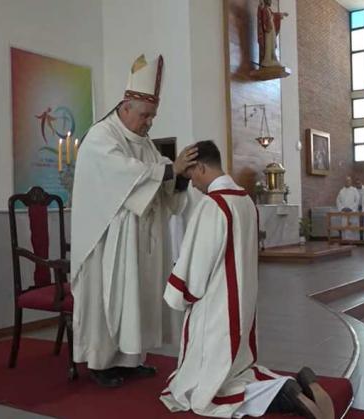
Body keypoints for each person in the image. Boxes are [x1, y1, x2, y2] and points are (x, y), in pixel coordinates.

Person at [160, 141, 333, 419]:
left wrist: (179, 293)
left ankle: (283, 391)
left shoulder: (212, 205)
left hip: (215, 308)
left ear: (201, 168)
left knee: (198, 390)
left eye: (191, 176)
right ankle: (301, 382)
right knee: (234, 368)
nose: (192, 185)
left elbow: (197, 264)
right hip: (241, 306)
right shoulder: (245, 200)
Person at [70, 54, 197, 388]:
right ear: (125, 107)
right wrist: (172, 169)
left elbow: (163, 181)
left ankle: (130, 358)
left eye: (152, 116)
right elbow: (124, 175)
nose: (149, 122)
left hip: (139, 238)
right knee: (108, 297)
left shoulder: (142, 142)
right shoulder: (101, 137)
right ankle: (99, 362)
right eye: (145, 115)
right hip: (107, 240)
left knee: (136, 296)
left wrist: (180, 177)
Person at [257, 0, 287, 68]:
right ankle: (267, 59)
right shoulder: (264, 9)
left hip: (271, 29)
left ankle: (273, 57)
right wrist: (267, 26)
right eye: (270, 0)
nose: (271, 2)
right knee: (269, 44)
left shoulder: (268, 10)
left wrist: (281, 14)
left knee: (273, 43)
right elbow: (263, 19)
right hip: (268, 30)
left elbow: (274, 15)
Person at [335, 176, 361, 241]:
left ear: (351, 182)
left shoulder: (354, 190)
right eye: (346, 181)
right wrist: (342, 208)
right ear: (344, 182)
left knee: (352, 226)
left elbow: (357, 200)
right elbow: (338, 201)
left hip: (352, 213)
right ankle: (345, 240)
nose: (347, 182)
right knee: (345, 227)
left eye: (349, 180)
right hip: (344, 212)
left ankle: (355, 240)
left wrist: (351, 208)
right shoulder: (341, 191)